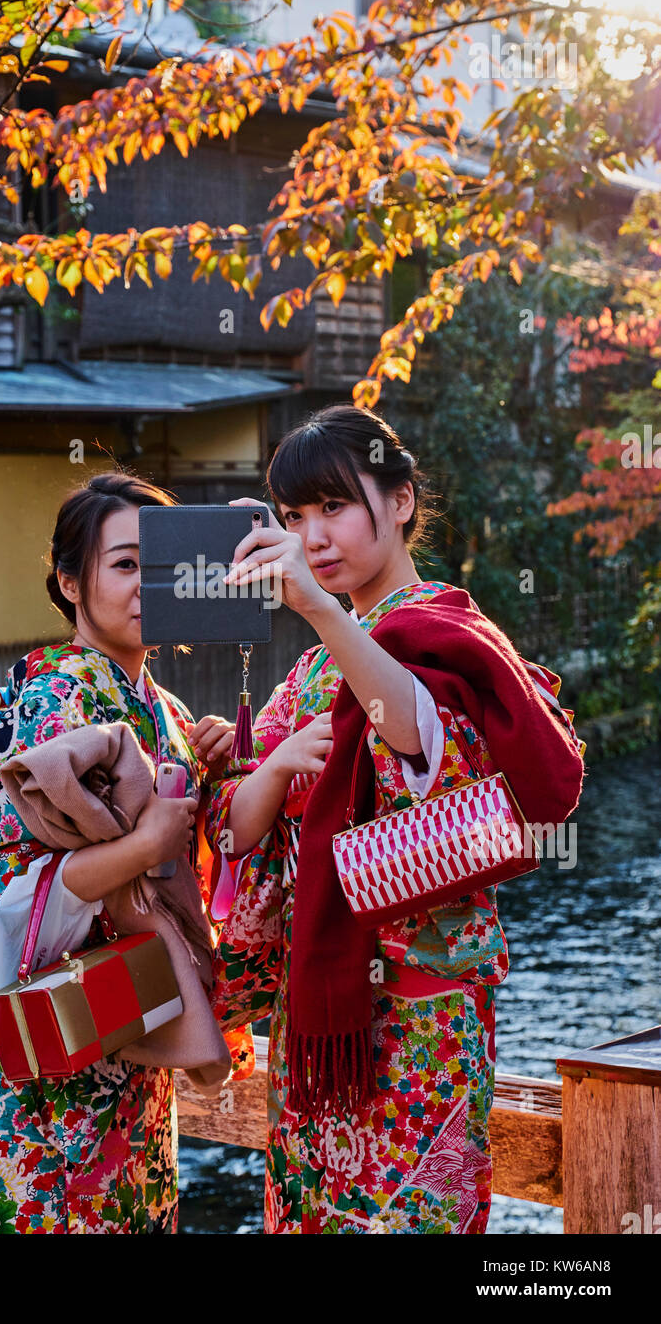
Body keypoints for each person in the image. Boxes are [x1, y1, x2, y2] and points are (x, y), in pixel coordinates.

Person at [205, 403, 585, 1234]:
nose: (316, 536)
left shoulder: (443, 624)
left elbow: (418, 738)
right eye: (298, 518)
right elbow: (234, 835)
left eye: (335, 507)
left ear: (403, 500)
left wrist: (317, 609)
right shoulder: (310, 666)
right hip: (318, 1019)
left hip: (422, 1008)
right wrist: (267, 767)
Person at [0, 471, 250, 1234]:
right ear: (71, 582)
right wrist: (146, 842)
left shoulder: (163, 711)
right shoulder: (53, 695)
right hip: (48, 1042)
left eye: (163, 568)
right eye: (125, 564)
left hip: (128, 1034)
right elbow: (19, 888)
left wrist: (218, 761)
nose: (147, 586)